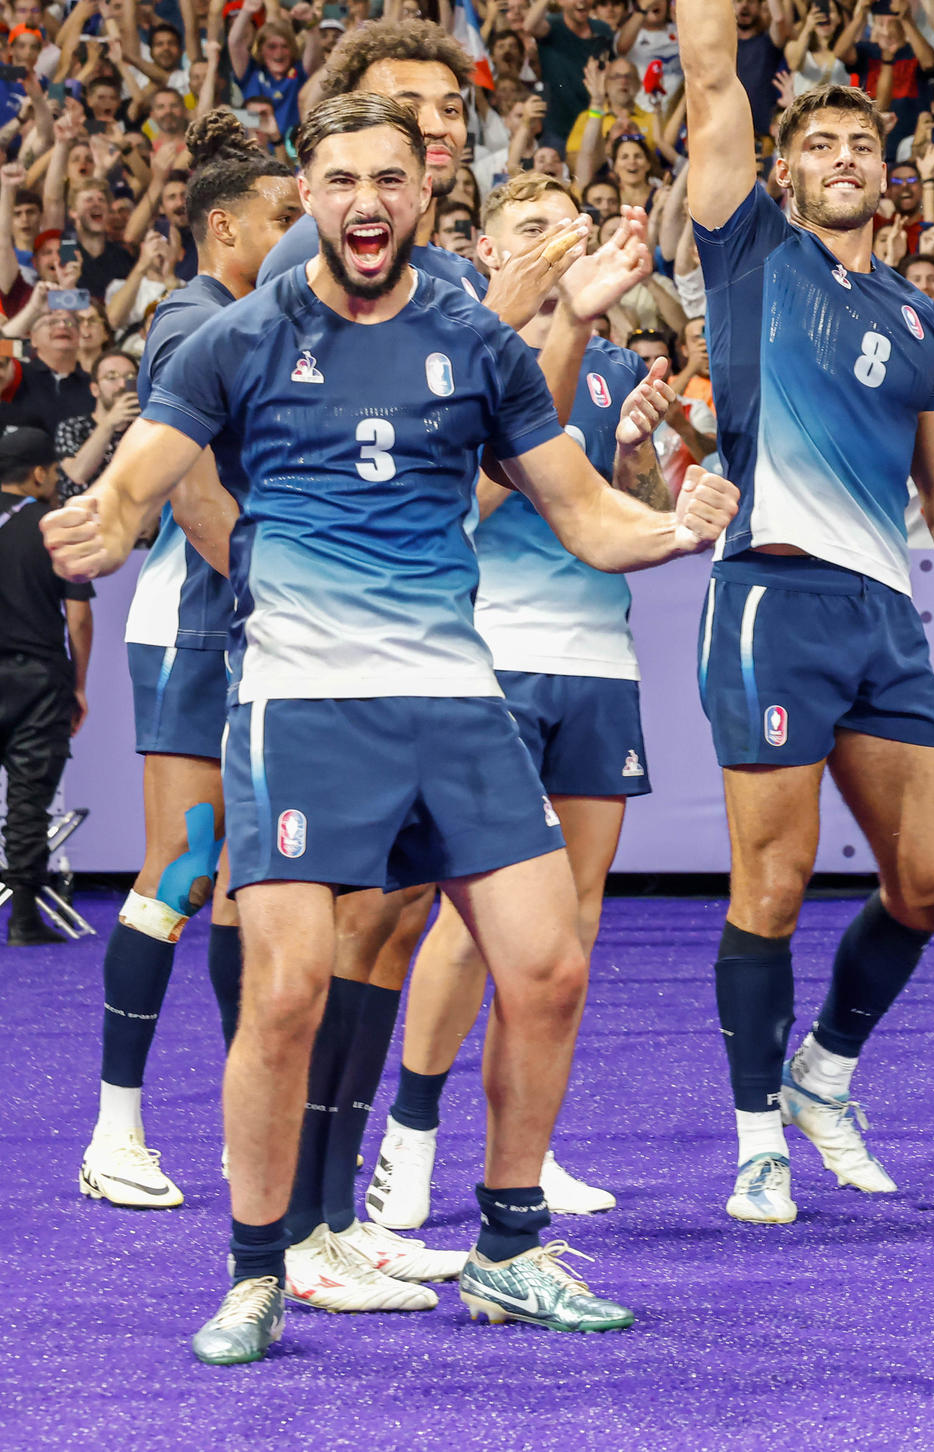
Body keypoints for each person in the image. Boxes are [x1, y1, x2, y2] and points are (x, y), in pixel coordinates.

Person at [45, 90, 737, 1365]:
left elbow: (584, 513)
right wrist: (102, 523)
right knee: (289, 986)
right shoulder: (241, 335)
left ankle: (512, 1247)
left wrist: (676, 527)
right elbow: (140, 475)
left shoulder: (475, 338)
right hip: (302, 704)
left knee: (548, 963)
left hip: (456, 702)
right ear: (306, 197)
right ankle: (261, 1268)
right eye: (341, 179)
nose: (367, 201)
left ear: (426, 196)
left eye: (392, 178)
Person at [666, 0, 934, 1229]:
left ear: (889, 177)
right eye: (818, 141)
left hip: (882, 613)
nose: (842, 156)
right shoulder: (750, 248)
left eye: (860, 145)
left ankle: (824, 1072)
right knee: (771, 882)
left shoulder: (920, 315)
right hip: (770, 597)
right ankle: (758, 1130)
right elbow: (709, 71)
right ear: (785, 167)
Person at [364, 171, 677, 1232]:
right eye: (530, 230)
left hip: (598, 662)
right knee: (466, 915)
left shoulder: (625, 366)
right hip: (489, 657)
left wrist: (641, 457)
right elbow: (480, 495)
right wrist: (566, 350)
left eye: (567, 229)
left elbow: (638, 522)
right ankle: (408, 1142)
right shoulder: (459, 358)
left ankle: (525, 1156)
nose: (555, 244)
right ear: (489, 254)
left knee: (569, 926)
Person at [79, 111, 297, 1208]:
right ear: (224, 224)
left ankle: (235, 1131)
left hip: (254, 625)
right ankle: (114, 1132)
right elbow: (194, 485)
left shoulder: (264, 315)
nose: (301, 229)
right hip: (200, 626)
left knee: (240, 890)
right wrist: (283, 597)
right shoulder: (190, 315)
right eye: (282, 215)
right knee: (179, 869)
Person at [0, 426, 89, 946]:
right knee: (29, 800)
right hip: (37, 680)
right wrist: (78, 685)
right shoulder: (57, 527)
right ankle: (25, 919)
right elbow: (77, 619)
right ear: (38, 473)